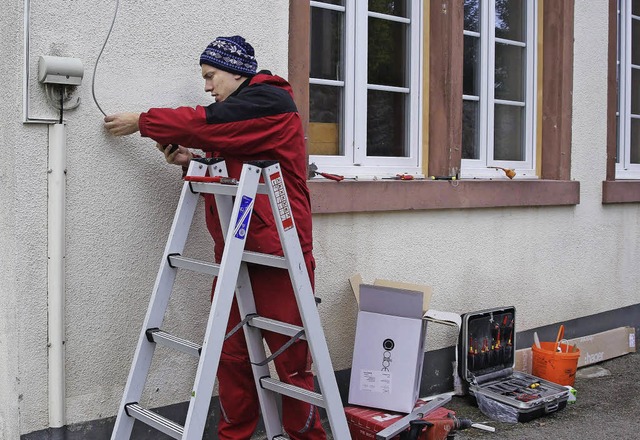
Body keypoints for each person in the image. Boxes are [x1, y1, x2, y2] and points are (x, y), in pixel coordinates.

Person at [104, 35, 326, 440]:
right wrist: (192, 158)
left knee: (289, 361)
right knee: (228, 355)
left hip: (277, 253)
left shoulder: (271, 102)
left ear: (236, 70)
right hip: (237, 254)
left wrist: (143, 121)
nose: (207, 86)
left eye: (211, 76)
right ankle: (233, 436)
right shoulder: (244, 114)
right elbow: (233, 153)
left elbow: (207, 124)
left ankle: (307, 438)